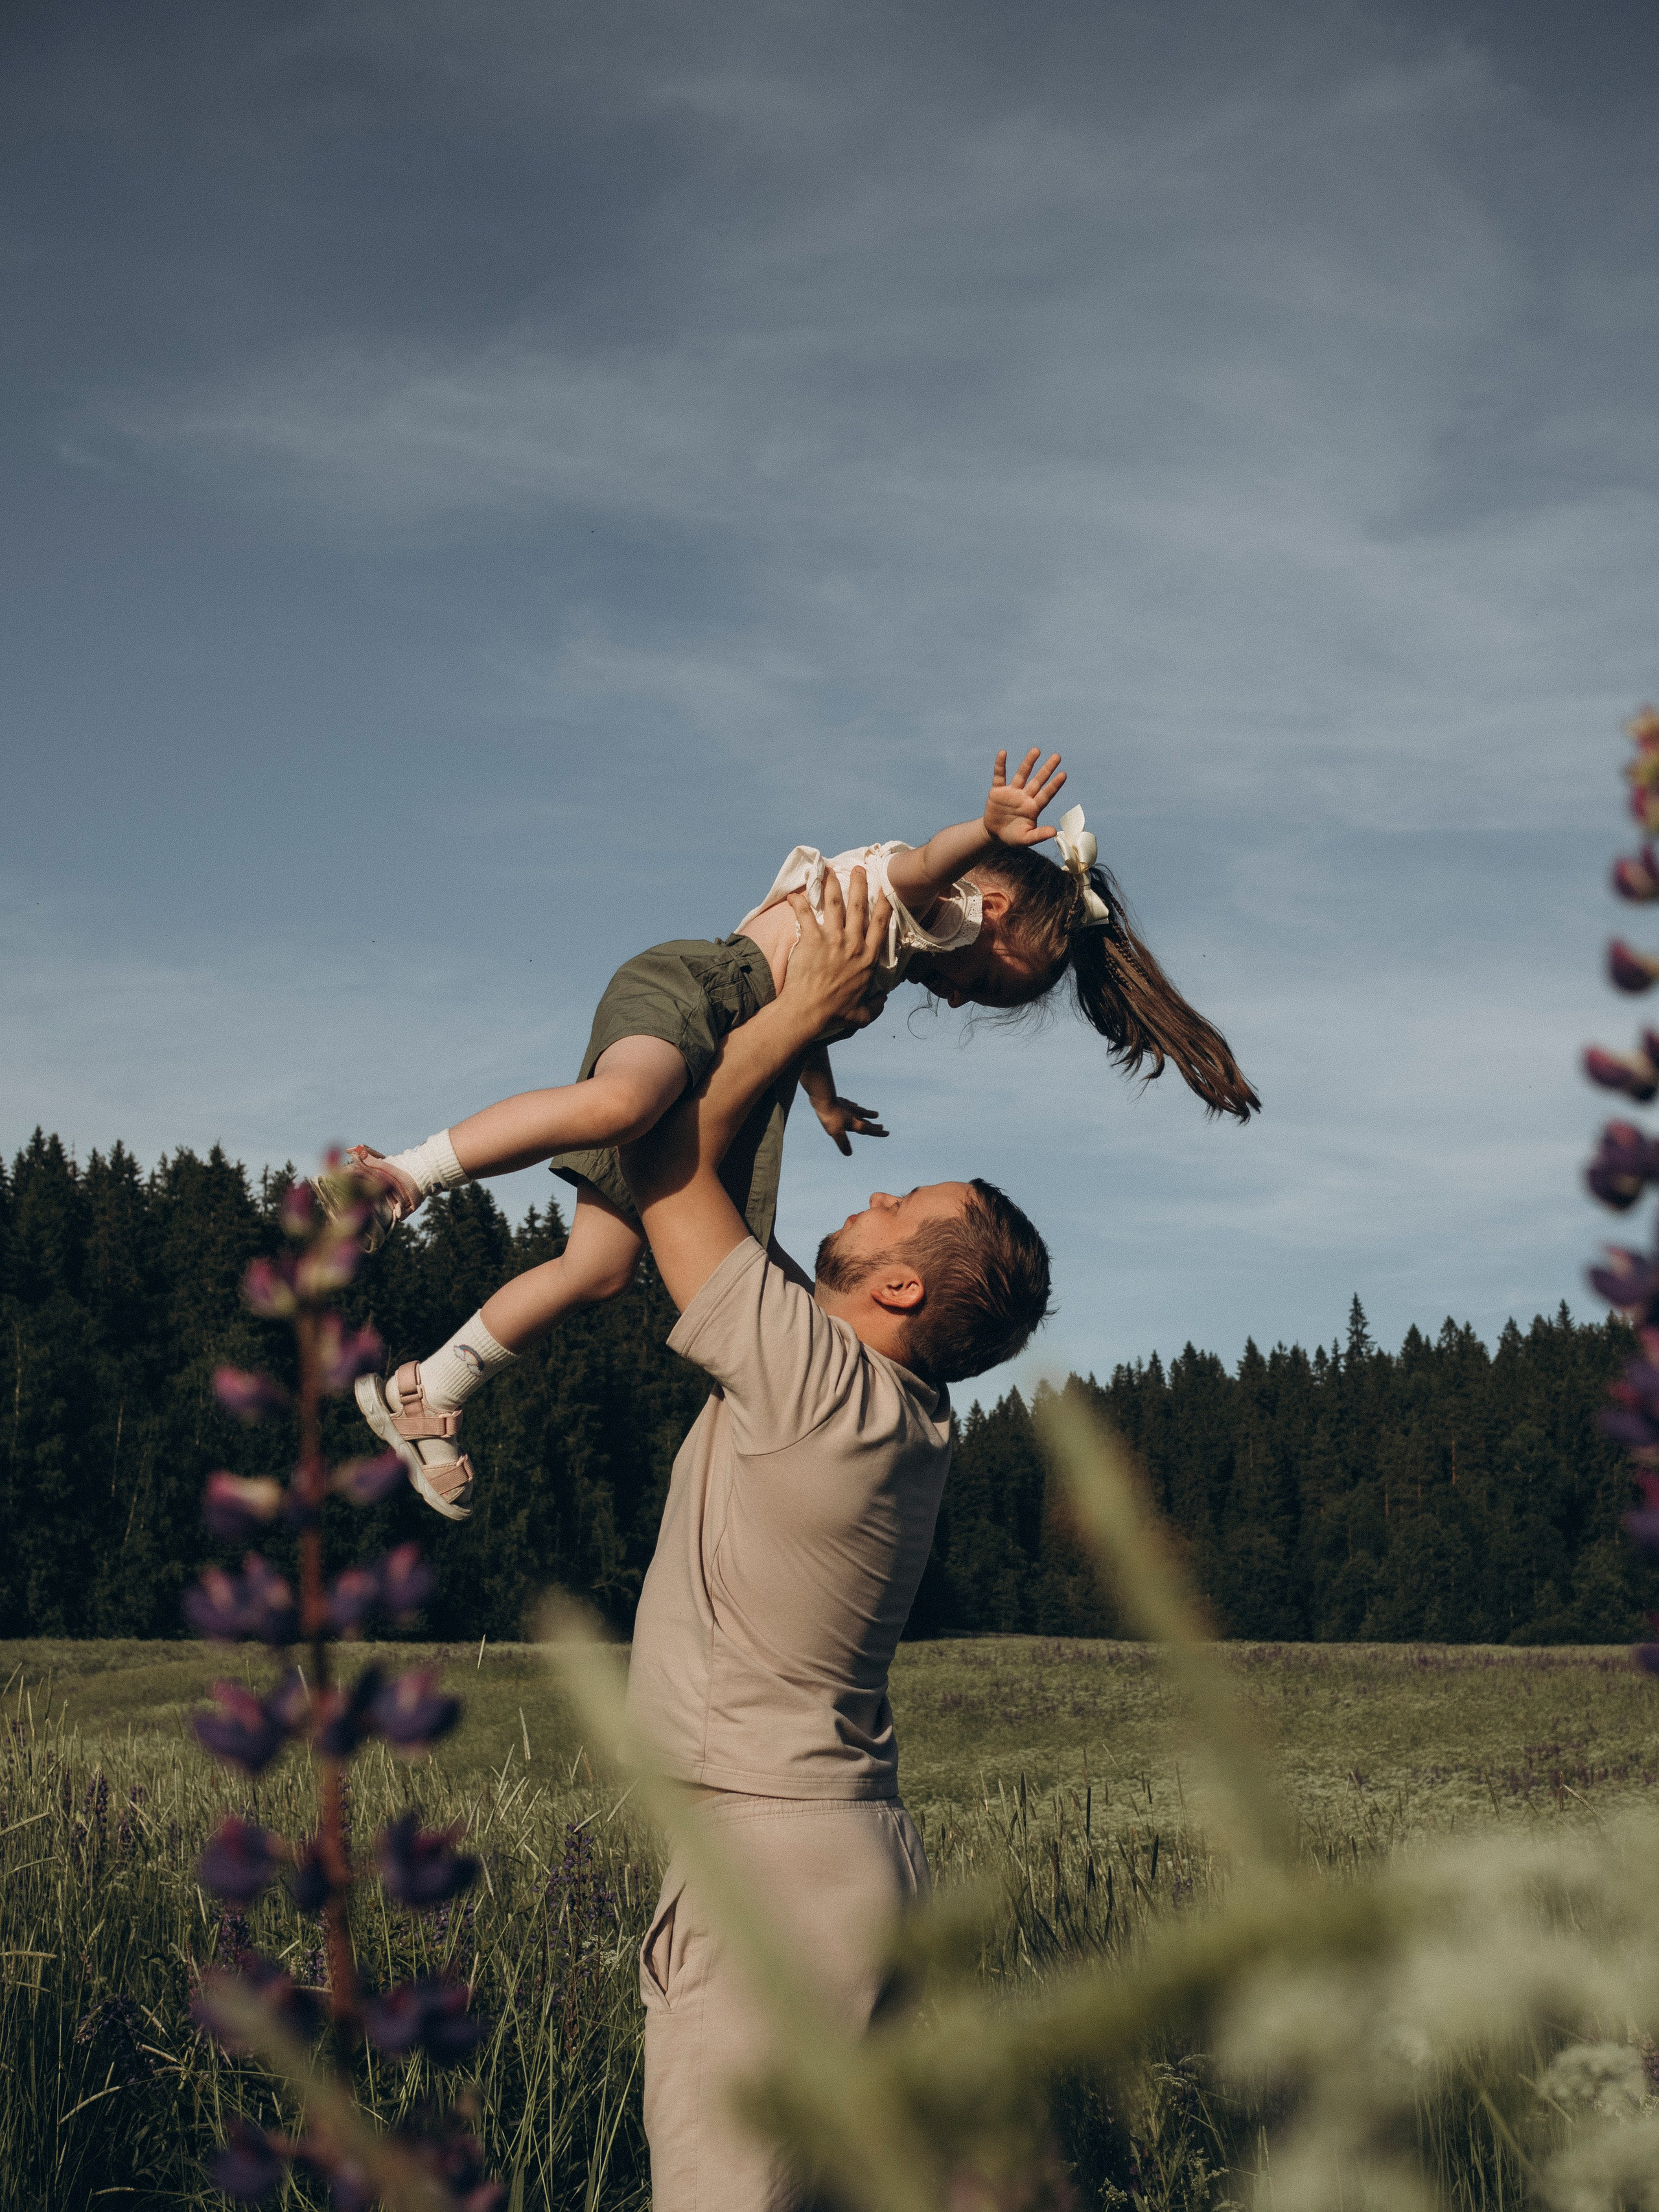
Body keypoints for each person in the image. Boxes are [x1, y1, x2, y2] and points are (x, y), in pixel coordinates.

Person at [325, 748, 1253, 1519]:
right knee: (621, 1111)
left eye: (981, 998)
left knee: (601, 1270)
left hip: (744, 1046)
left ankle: (429, 1391)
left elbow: (809, 1015)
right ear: (992, 911)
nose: (962, 995)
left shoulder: (888, 958)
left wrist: (823, 1098)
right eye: (985, 981)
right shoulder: (933, 901)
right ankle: (402, 1176)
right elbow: (925, 865)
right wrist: (987, 831)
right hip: (702, 991)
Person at [616, 864, 1053, 2212]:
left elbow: (658, 1164)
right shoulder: (891, 1408)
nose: (863, 1202)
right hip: (855, 1857)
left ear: (904, 1282)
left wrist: (792, 1007)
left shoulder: (816, 1384)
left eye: (890, 1206)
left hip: (775, 1881)